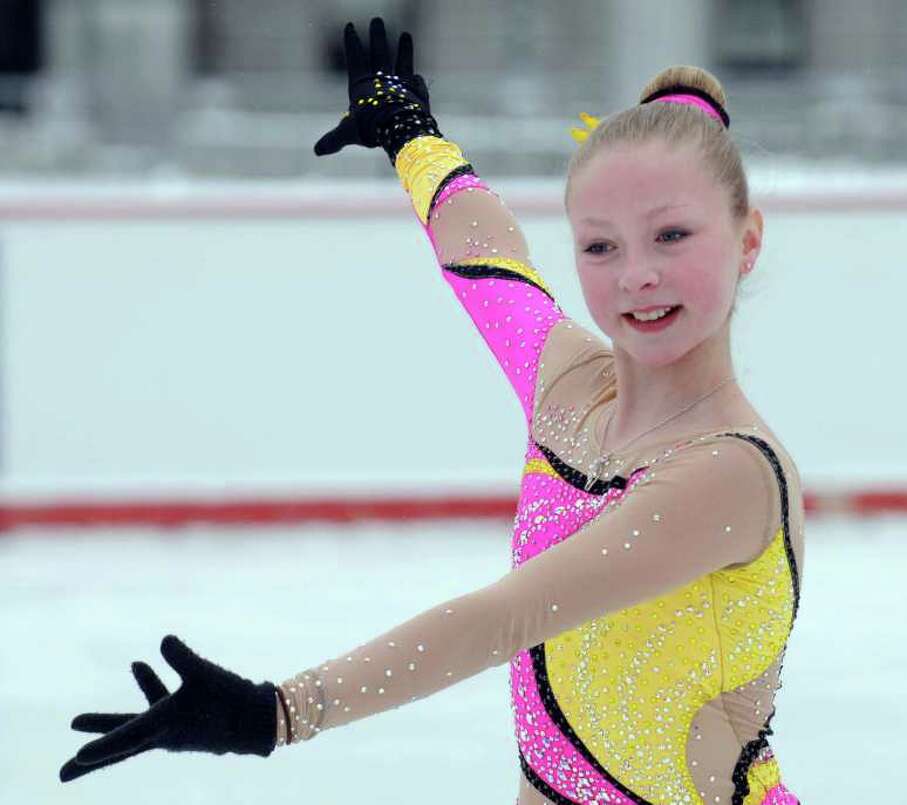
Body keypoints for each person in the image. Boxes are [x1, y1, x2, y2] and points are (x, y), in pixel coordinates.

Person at [59, 18, 806, 805]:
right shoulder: (570, 390)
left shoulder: (728, 469)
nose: (636, 276)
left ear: (747, 240)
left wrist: (278, 712)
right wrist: (415, 139)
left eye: (672, 236)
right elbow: (484, 257)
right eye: (600, 246)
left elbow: (506, 618)